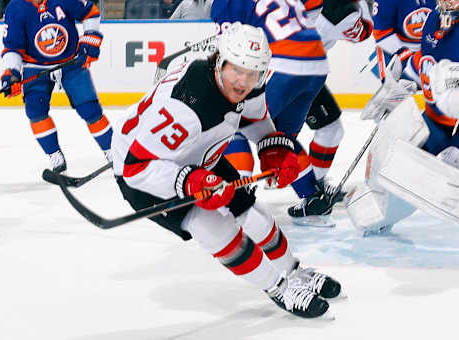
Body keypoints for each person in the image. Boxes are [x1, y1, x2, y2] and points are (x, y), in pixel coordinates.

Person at [111, 22, 342, 318]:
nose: (243, 82)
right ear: (220, 62)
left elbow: (255, 119)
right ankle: (278, 288)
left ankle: (293, 272)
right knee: (212, 227)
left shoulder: (248, 82)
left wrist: (271, 148)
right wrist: (192, 181)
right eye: (237, 70)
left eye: (253, 73)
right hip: (148, 171)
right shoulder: (187, 108)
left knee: (252, 210)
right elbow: (136, 169)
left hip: (199, 151)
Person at [212, 0, 372, 227]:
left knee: (233, 123)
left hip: (284, 65)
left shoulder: (224, 4)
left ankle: (238, 198)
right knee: (279, 137)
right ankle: (313, 200)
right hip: (317, 65)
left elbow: (233, 56)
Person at [346, 0, 459, 236]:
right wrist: (403, 80)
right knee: (397, 165)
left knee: (449, 174)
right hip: (436, 123)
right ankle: (381, 218)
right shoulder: (433, 19)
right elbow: (425, 60)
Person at [0, 0, 112, 173]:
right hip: (35, 67)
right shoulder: (15, 8)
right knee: (35, 111)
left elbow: (90, 12)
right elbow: (13, 46)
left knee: (90, 110)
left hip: (71, 63)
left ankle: (113, 151)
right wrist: (12, 73)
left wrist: (90, 38)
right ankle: (54, 154)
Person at [369, 0, 436, 81]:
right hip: (400, 51)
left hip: (433, 47)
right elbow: (381, 34)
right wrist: (405, 55)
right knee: (393, 83)